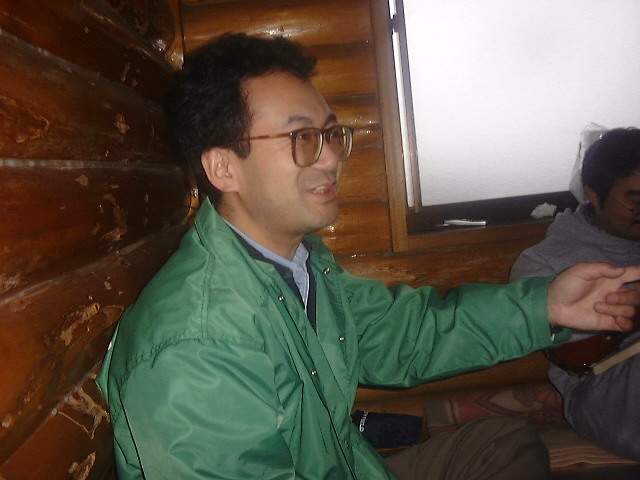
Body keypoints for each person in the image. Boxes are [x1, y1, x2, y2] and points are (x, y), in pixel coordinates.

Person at [97, 33, 640, 480]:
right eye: (302, 138)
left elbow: (404, 336)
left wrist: (547, 305)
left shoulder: (298, 265)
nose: (331, 157)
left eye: (331, 134)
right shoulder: (198, 344)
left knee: (503, 442)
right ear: (223, 168)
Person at [510, 127, 640, 461]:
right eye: (636, 200)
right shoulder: (545, 262)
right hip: (602, 389)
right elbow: (573, 353)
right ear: (593, 195)